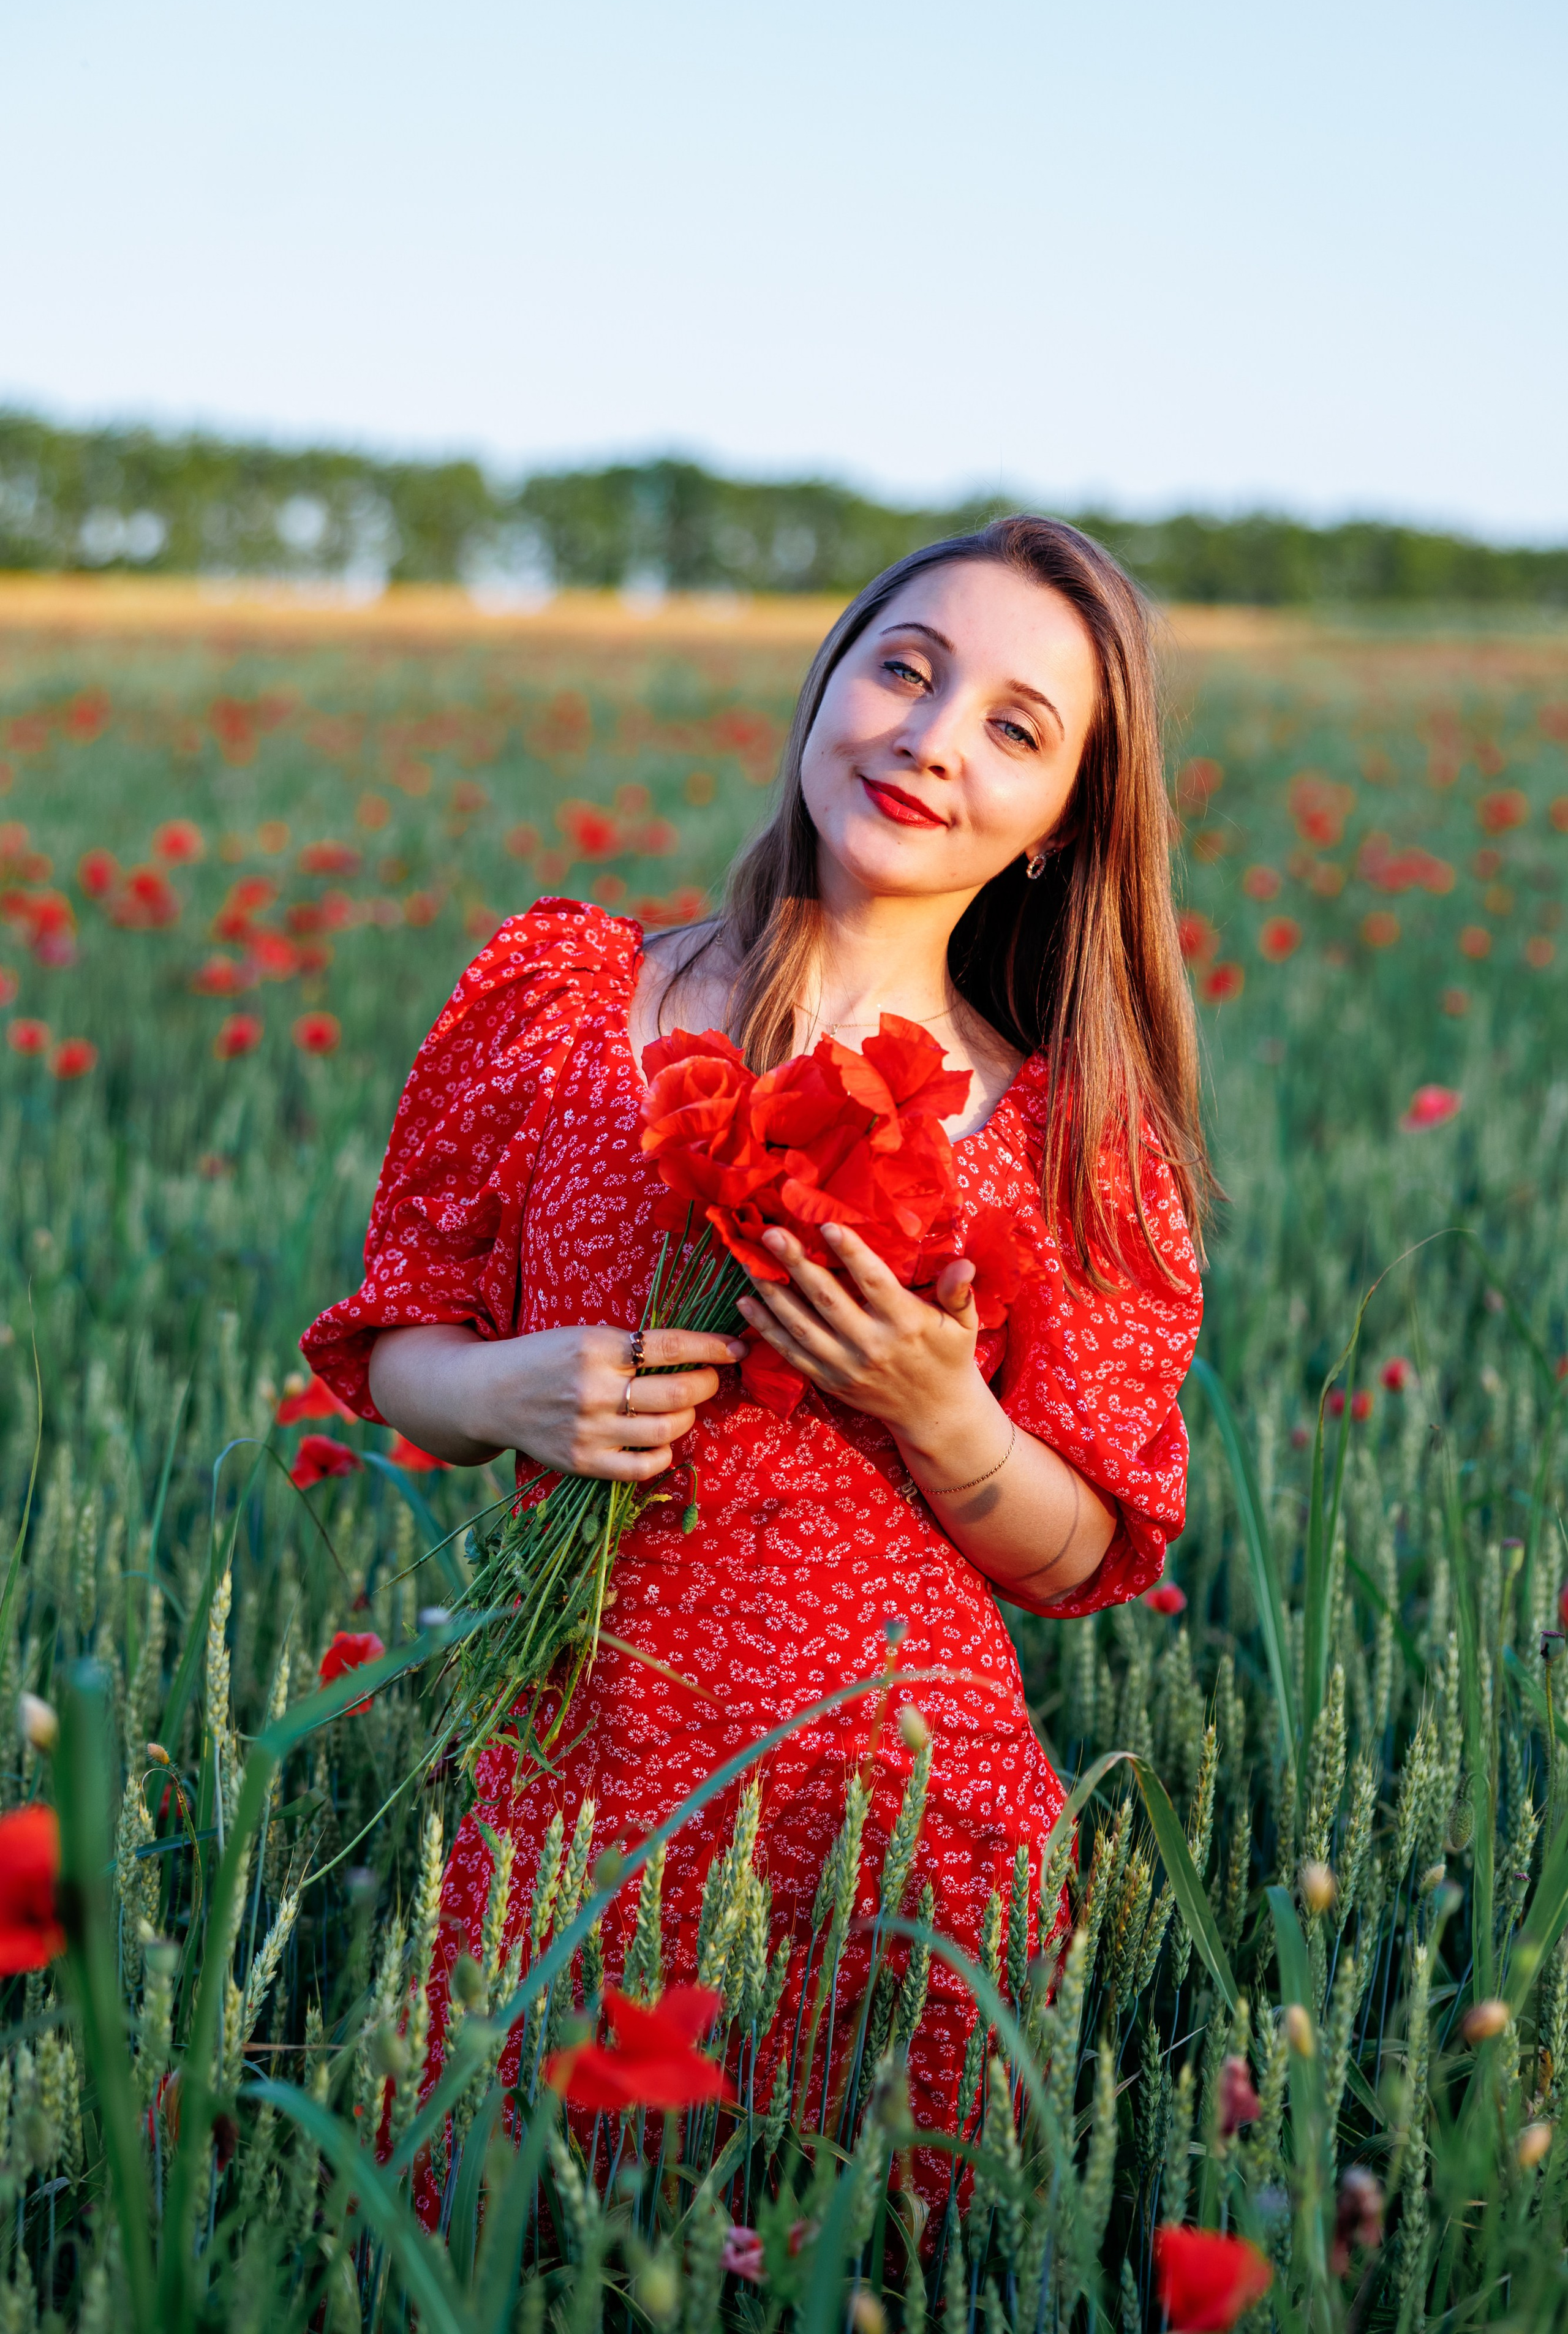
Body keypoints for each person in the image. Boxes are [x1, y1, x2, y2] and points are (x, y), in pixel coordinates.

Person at [301, 515, 1208, 2210]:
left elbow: (1088, 1547)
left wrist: (947, 1416)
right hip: (574, 1789)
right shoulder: (567, 1006)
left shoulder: (1075, 1135)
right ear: (827, 686)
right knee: (510, 2246)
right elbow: (395, 1342)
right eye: (905, 669)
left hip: (898, 1829)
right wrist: (497, 1394)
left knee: (867, 2265)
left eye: (1017, 729)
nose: (933, 741)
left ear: (1062, 828)